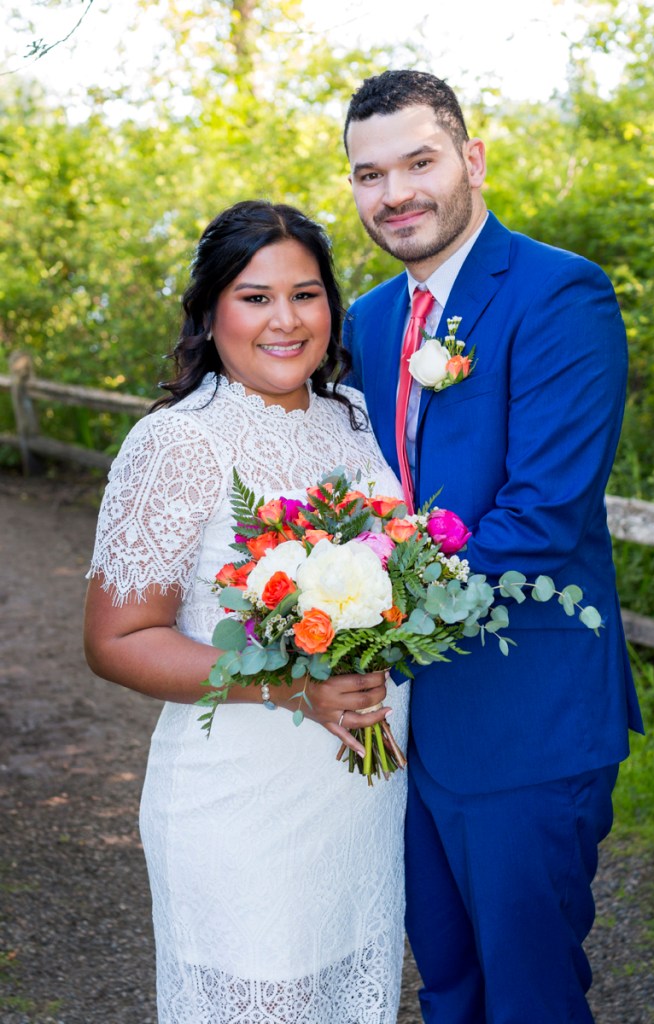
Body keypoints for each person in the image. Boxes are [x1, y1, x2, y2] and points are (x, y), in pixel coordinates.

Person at [342, 70, 643, 1024]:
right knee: (449, 988)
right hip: (402, 726)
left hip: (524, 717)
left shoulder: (560, 293)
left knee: (528, 995)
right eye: (368, 174)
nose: (394, 194)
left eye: (418, 162)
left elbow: (542, 517)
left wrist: (361, 606)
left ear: (470, 160)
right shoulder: (369, 319)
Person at [83, 200, 410, 1024]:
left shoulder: (356, 419)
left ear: (331, 306)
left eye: (304, 294)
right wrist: (291, 689)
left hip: (357, 803)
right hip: (241, 810)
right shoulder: (176, 443)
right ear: (209, 310)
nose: (284, 320)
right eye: (254, 296)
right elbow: (116, 639)